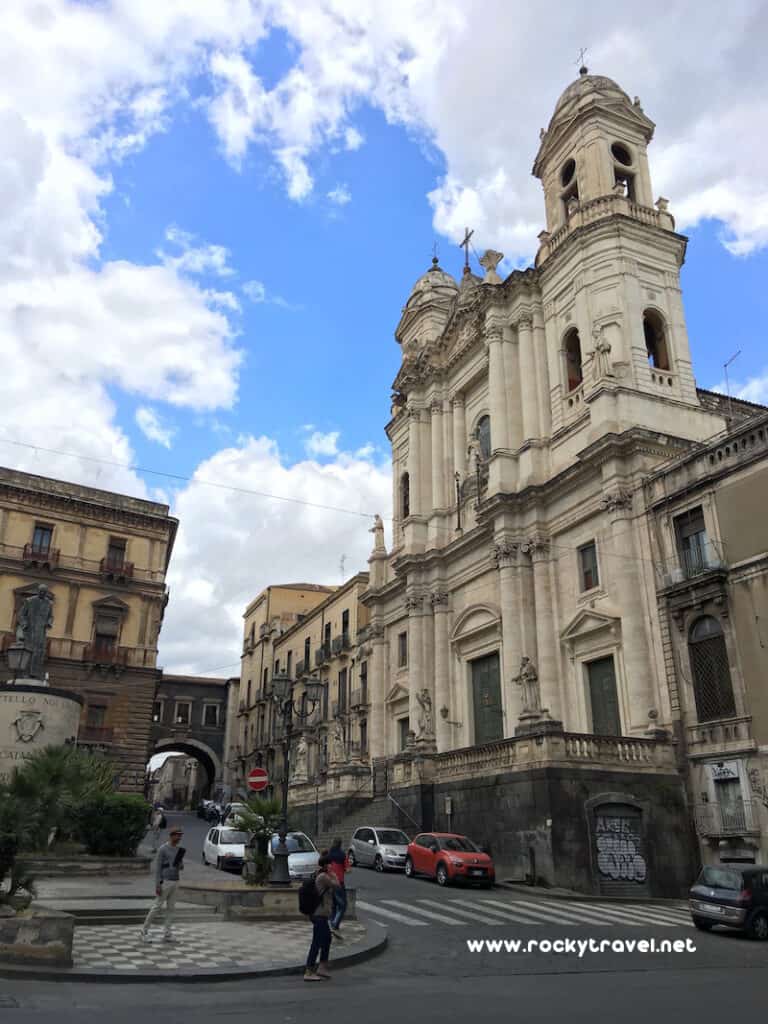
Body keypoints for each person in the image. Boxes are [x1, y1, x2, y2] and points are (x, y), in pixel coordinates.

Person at [140, 826, 185, 943]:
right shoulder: (163, 849)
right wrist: (157, 884)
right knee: (156, 907)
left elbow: (181, 867)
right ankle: (144, 931)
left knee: (171, 908)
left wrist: (180, 864)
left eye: (180, 835)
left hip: (176, 880)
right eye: (177, 835)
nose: (179, 837)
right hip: (165, 881)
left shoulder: (179, 849)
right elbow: (158, 867)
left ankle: (167, 933)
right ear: (171, 836)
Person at [304, 856, 339, 982]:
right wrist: (334, 875)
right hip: (319, 915)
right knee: (317, 942)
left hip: (321, 915)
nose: (332, 866)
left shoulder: (321, 875)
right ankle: (309, 970)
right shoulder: (324, 877)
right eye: (330, 864)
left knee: (326, 939)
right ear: (325, 865)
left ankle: (322, 966)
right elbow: (337, 885)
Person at [327, 837, 350, 940]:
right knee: (343, 905)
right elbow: (348, 869)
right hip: (339, 882)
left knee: (334, 905)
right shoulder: (342, 855)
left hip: (329, 882)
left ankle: (332, 922)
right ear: (340, 844)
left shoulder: (329, 854)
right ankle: (334, 924)